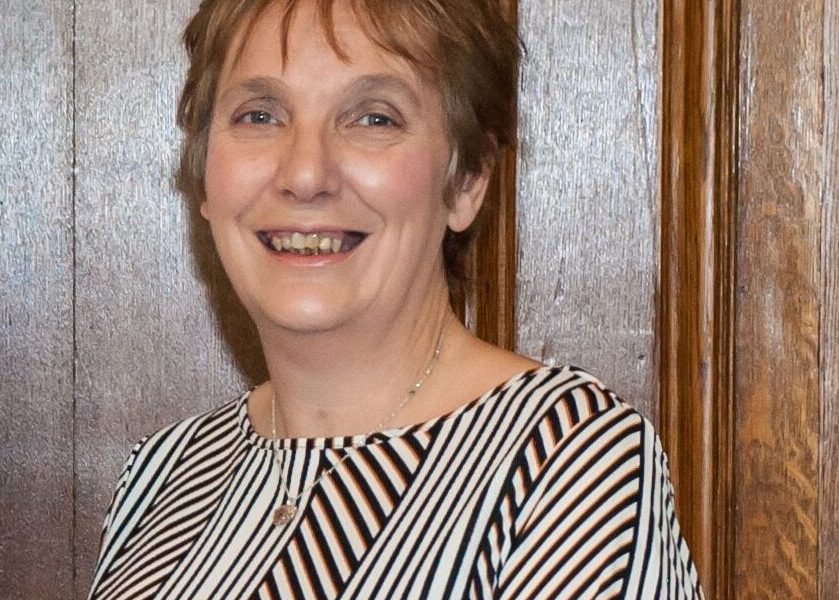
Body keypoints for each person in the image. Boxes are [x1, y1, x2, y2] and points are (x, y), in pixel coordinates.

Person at [87, 0, 705, 598]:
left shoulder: (566, 461)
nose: (305, 174)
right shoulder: (164, 474)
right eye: (260, 116)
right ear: (204, 172)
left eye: (373, 118)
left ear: (467, 181)